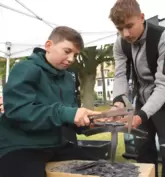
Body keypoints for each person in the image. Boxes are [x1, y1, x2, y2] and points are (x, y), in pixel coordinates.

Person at [0, 26, 100, 177]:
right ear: (48, 46)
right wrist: (66, 113)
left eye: (75, 55)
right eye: (67, 51)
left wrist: (93, 121)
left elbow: (69, 115)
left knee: (100, 170)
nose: (71, 59)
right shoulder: (24, 69)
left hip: (55, 145)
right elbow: (18, 111)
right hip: (20, 146)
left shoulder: (67, 78)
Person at [108, 0, 165, 176]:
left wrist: (141, 116)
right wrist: (118, 101)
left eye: (129, 26)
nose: (125, 33)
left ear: (141, 18)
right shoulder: (120, 43)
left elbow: (163, 84)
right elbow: (121, 74)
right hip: (141, 101)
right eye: (120, 29)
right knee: (143, 158)